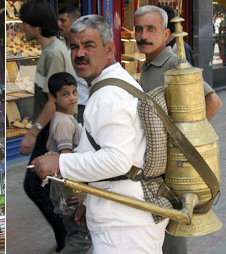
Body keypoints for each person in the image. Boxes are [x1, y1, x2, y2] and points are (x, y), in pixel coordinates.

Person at [32, 15, 168, 253]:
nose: (80, 54)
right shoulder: (112, 84)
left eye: (89, 45)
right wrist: (91, 199)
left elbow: (118, 160)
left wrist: (60, 162)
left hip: (125, 225)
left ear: (109, 50)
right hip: (124, 215)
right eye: (74, 46)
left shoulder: (109, 96)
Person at [132, 5, 223, 254]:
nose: (143, 36)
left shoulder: (172, 63)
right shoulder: (150, 65)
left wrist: (180, 145)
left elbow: (213, 101)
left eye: (151, 29)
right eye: (139, 29)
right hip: (156, 167)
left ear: (166, 35)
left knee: (172, 236)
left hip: (172, 169)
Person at [18, 1, 75, 251]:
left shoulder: (53, 52)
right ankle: (65, 237)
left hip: (50, 130)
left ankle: (67, 238)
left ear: (36, 26)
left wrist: (33, 133)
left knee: (36, 185)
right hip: (47, 129)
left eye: (25, 23)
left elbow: (56, 98)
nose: (22, 27)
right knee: (44, 186)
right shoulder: (50, 50)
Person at [45, 72, 91, 254]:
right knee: (82, 235)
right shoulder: (64, 122)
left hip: (63, 185)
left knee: (73, 231)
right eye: (65, 94)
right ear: (52, 98)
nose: (72, 98)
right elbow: (65, 158)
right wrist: (78, 192)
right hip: (68, 187)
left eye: (74, 92)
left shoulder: (62, 119)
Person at [58, 7, 89, 124]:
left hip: (83, 105)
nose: (58, 24)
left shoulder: (83, 51)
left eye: (63, 21)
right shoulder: (60, 47)